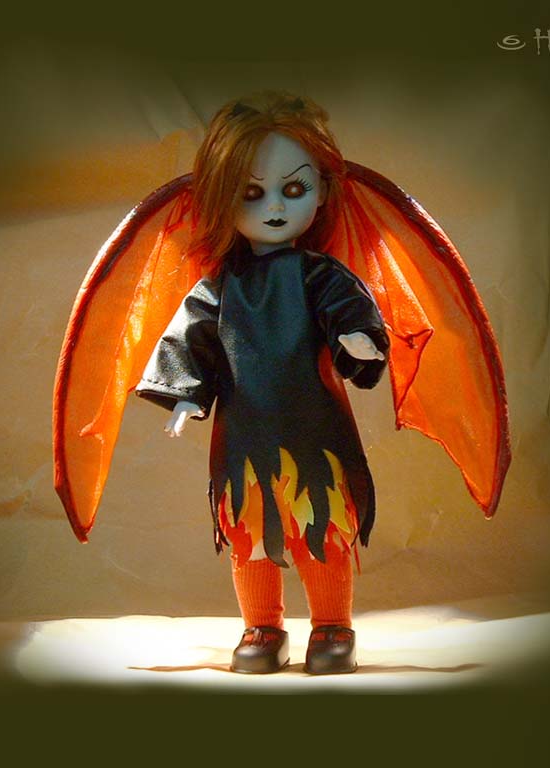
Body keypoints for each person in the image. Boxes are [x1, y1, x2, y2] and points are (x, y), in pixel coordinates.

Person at [134, 92, 388, 674]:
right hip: (245, 436)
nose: (274, 206)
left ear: (321, 192)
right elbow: (191, 338)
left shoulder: (319, 276)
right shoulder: (222, 287)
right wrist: (184, 394)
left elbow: (350, 311)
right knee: (250, 534)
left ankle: (332, 625)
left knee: (321, 523)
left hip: (316, 431)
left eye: (294, 189)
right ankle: (263, 627)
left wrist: (358, 339)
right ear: (220, 199)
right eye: (251, 193)